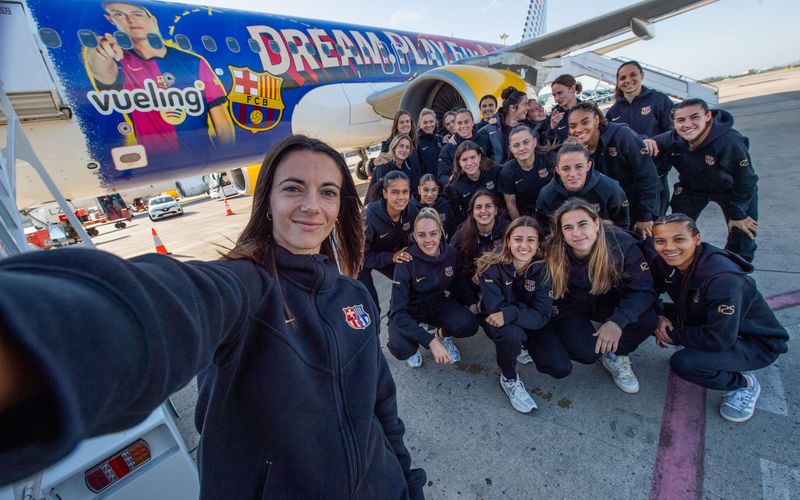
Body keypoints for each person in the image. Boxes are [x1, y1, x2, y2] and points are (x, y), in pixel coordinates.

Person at [0, 135, 426, 498]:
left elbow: (382, 406)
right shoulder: (243, 287)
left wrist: (406, 481)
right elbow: (165, 303)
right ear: (268, 202)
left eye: (328, 192)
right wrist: (37, 341)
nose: (312, 205)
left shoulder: (354, 294)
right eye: (293, 188)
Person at [650, 214, 788, 422]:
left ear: (697, 239)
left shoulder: (724, 279)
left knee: (684, 363)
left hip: (754, 342)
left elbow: (719, 338)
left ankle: (743, 384)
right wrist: (659, 315)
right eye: (660, 241)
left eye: (679, 239)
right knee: (644, 317)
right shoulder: (664, 262)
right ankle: (707, 354)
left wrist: (674, 335)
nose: (669, 247)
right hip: (705, 319)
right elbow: (649, 291)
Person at [536, 198, 657, 393]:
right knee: (587, 353)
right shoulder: (553, 248)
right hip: (572, 304)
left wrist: (617, 321)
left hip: (607, 300)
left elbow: (643, 289)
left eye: (582, 224)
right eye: (568, 227)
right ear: (561, 232)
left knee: (648, 318)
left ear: (596, 224)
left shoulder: (621, 245)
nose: (576, 233)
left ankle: (617, 355)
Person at [85, 2, 235, 153]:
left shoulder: (194, 62)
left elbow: (222, 123)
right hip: (155, 160)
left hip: (201, 157)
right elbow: (103, 72)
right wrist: (98, 53)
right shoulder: (121, 62)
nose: (131, 19)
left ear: (153, 21)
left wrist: (225, 156)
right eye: (119, 14)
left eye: (137, 14)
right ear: (111, 20)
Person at [644, 99, 759, 262]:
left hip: (732, 190)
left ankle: (734, 269)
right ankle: (687, 264)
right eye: (681, 120)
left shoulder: (729, 140)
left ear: (708, 116)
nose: (687, 125)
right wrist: (646, 141)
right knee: (676, 229)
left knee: (743, 233)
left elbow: (746, 179)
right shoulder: (672, 139)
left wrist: (738, 213)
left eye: (694, 117)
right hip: (693, 188)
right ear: (674, 123)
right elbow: (645, 142)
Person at [476, 216, 552, 413]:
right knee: (511, 333)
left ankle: (524, 345)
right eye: (518, 239)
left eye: (531, 240)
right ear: (508, 241)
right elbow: (495, 312)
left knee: (558, 367)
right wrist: (516, 314)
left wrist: (511, 313)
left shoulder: (544, 269)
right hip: (498, 322)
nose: (524, 245)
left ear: (538, 243)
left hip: (525, 319)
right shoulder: (491, 266)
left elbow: (542, 315)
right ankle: (508, 377)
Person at [387, 208, 480, 368]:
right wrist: (429, 342)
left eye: (433, 233)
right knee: (401, 348)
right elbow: (398, 312)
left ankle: (441, 334)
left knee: (469, 324)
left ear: (441, 232)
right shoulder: (406, 261)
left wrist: (471, 302)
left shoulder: (450, 253)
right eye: (421, 235)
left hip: (437, 303)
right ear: (414, 236)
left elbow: (458, 280)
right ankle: (416, 342)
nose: (428, 240)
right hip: (409, 310)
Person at [568, 101, 659, 239]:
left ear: (596, 120)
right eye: (573, 126)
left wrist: (645, 216)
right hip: (610, 213)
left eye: (585, 122)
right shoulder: (577, 149)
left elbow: (648, 176)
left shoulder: (622, 136)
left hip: (638, 208)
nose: (578, 129)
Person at [606, 61, 674, 217]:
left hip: (654, 177)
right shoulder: (614, 111)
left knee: (654, 222)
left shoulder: (658, 100)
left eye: (632, 75)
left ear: (641, 75)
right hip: (627, 181)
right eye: (622, 78)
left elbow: (673, 133)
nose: (627, 80)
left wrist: (652, 141)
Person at [358, 170, 419, 330]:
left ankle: (400, 322)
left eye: (405, 192)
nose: (401, 197)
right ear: (385, 194)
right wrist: (391, 257)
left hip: (392, 253)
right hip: (364, 260)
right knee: (371, 308)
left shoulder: (411, 210)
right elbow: (360, 256)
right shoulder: (369, 215)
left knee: (415, 284)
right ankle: (375, 332)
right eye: (395, 192)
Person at [536, 140, 629, 231]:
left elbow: (622, 226)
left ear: (588, 166)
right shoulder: (547, 195)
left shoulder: (610, 189)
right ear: (557, 170)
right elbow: (544, 231)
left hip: (604, 239)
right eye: (566, 168)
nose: (573, 174)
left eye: (579, 167)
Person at [450, 190, 510, 313]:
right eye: (478, 207)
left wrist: (486, 270)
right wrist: (470, 301)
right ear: (472, 212)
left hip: (501, 282)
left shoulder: (508, 229)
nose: (483, 211)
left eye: (488, 206)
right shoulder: (462, 234)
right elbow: (455, 269)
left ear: (496, 210)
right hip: (470, 283)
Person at [498, 125, 553, 220]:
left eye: (526, 142)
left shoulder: (549, 160)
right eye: (516, 145)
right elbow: (511, 205)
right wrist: (521, 226)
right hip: (526, 217)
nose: (522, 148)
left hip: (550, 211)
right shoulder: (507, 172)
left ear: (534, 142)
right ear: (511, 148)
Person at [445, 141, 501, 226]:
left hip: (499, 222)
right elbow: (458, 218)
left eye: (473, 157)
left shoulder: (495, 172)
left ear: (479, 157)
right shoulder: (454, 186)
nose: (469, 163)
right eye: (464, 160)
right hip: (472, 226)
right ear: (459, 162)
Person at [476, 87, 530, 164]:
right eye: (525, 104)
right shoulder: (489, 128)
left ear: (496, 107)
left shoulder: (529, 126)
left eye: (491, 105)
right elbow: (478, 153)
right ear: (513, 108)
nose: (528, 107)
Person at [367, 133, 421, 202]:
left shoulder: (408, 166)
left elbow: (414, 189)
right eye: (401, 146)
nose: (404, 150)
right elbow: (381, 198)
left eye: (407, 147)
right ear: (394, 148)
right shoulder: (384, 167)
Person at [437, 108, 480, 187]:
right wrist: (455, 183)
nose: (451, 125)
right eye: (448, 124)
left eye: (453, 121)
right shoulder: (447, 148)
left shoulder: (483, 138)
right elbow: (442, 176)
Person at [410, 173, 456, 239]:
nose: (430, 194)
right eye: (426, 190)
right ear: (419, 190)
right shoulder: (411, 208)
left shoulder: (445, 205)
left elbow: (452, 229)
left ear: (438, 190)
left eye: (434, 190)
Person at [547, 74, 582, 143]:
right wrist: (553, 128)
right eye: (554, 95)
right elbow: (550, 144)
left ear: (572, 88)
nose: (556, 98)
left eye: (560, 93)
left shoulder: (588, 109)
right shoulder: (554, 117)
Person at [417, 108, 444, 177]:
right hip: (427, 181)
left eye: (431, 121)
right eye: (425, 122)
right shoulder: (416, 142)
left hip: (442, 180)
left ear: (435, 122)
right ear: (420, 124)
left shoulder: (441, 140)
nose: (428, 125)